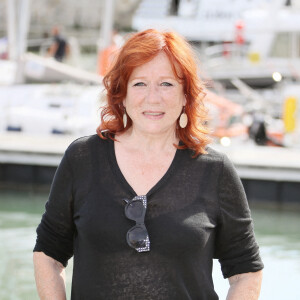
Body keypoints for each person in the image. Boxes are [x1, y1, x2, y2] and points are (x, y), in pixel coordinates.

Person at [33, 29, 263, 299]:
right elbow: (48, 254)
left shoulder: (215, 170)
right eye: (139, 83)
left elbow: (246, 271)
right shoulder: (82, 158)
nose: (153, 98)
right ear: (122, 93)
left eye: (166, 84)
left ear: (186, 94)